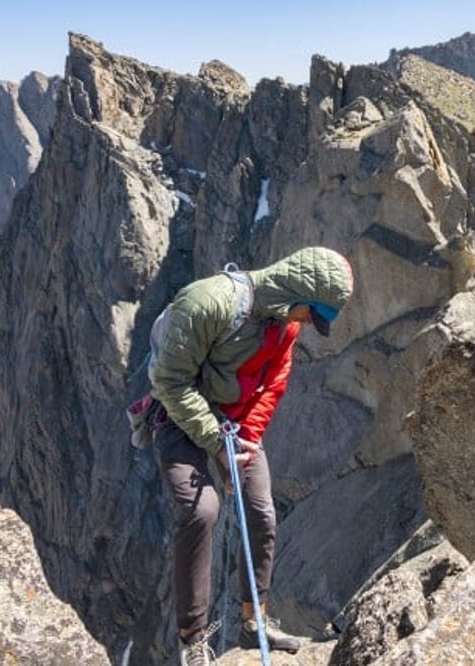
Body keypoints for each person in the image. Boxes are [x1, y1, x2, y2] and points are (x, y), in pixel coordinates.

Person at [147, 246, 354, 665]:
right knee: (202, 511)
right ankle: (192, 641)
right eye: (311, 313)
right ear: (297, 293)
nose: (308, 323)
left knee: (261, 512)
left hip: (235, 425)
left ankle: (254, 621)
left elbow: (274, 382)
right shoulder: (207, 302)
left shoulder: (285, 326)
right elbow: (171, 382)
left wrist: (247, 440)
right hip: (179, 417)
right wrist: (215, 444)